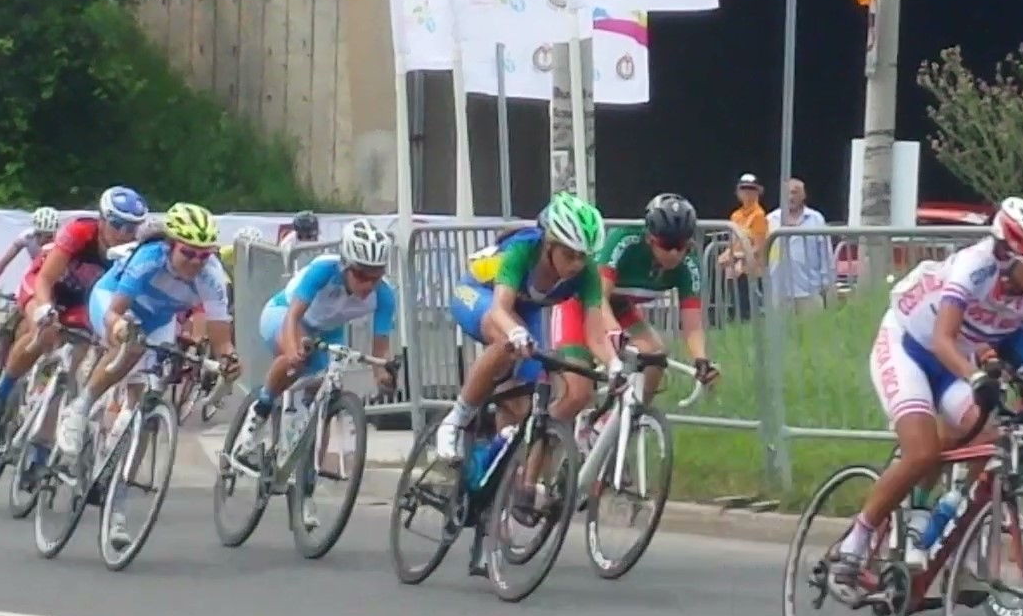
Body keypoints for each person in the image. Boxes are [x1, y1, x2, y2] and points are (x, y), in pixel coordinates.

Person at [832, 198, 1023, 600]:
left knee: (990, 438)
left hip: (953, 360)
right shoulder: (972, 267)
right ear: (1011, 255)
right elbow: (942, 339)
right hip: (908, 347)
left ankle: (929, 523)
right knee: (921, 450)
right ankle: (854, 543)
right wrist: (977, 376)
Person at [436, 192, 623, 569]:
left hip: (526, 311)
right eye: (569, 254)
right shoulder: (523, 250)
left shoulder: (583, 272)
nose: (576, 264)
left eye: (582, 256)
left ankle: (489, 499)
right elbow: (501, 310)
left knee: (519, 413)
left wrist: (615, 364)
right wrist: (515, 334)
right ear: (550, 244)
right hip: (478, 293)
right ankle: (455, 419)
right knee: (509, 339)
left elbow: (594, 334)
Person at [59, 202, 239, 549]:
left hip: (157, 321)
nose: (197, 262)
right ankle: (79, 409)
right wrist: (120, 328)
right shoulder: (149, 257)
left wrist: (229, 361)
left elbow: (222, 338)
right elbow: (115, 312)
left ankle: (117, 508)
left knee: (142, 408)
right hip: (113, 302)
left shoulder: (212, 276)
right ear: (171, 245)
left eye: (205, 255)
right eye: (189, 253)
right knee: (131, 345)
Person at [239, 218, 398, 529]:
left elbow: (381, 349)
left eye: (376, 277)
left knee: (320, 405)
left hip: (328, 330)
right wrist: (295, 350)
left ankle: (305, 489)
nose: (368, 285)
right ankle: (259, 412)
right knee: (294, 360)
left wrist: (384, 376)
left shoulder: (385, 296)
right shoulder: (324, 270)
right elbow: (293, 317)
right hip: (282, 314)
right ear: (346, 265)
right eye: (362, 275)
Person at [0, 187, 148, 432]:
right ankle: (0, 391)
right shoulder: (79, 232)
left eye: (131, 228)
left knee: (77, 349)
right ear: (101, 220)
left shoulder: (132, 253)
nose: (123, 233)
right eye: (117, 224)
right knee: (43, 332)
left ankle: (44, 423)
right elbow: (45, 279)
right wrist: (45, 309)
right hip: (47, 283)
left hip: (80, 299)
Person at [560, 193, 720, 426]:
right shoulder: (624, 241)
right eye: (667, 245)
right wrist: (614, 333)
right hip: (583, 303)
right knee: (578, 394)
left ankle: (628, 419)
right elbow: (599, 298)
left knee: (655, 355)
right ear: (649, 239)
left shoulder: (689, 263)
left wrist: (701, 360)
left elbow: (692, 324)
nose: (674, 253)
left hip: (621, 307)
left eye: (682, 246)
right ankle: (544, 442)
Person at [769, 178, 836, 313]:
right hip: (779, 290)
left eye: (795, 192)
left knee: (812, 332)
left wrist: (826, 281)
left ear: (803, 196)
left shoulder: (816, 219)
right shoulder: (771, 219)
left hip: (809, 289)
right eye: (787, 193)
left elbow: (825, 253)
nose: (790, 197)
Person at [720, 174, 768, 323]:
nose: (747, 193)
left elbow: (759, 247)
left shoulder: (759, 215)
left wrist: (737, 256)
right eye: (743, 189)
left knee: (748, 313)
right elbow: (734, 242)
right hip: (736, 270)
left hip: (751, 271)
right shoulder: (736, 215)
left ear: (758, 192)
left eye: (751, 189)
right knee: (735, 310)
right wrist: (725, 255)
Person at [0, 207, 61, 279]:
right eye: (48, 237)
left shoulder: (60, 240)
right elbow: (3, 263)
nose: (51, 240)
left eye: (53, 235)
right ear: (37, 233)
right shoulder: (27, 237)